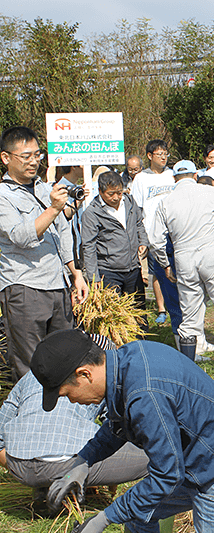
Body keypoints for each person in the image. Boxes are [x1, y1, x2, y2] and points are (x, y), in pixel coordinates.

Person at [30, 329, 214, 533]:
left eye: (67, 394)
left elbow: (167, 477)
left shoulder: (145, 394)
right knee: (137, 519)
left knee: (130, 510)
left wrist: (103, 519)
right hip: (197, 465)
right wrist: (82, 463)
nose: (71, 402)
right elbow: (117, 426)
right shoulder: (125, 362)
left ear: (84, 374)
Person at [0, 335, 148, 506]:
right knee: (158, 453)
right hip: (67, 465)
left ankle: (45, 487)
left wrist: (17, 463)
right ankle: (144, 513)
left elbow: (3, 424)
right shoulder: (100, 376)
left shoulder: (33, 375)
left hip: (19, 466)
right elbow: (117, 429)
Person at [0, 126, 88, 381]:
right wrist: (53, 208)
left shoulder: (44, 188)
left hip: (57, 285)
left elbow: (63, 234)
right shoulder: (3, 195)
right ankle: (32, 418)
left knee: (64, 359)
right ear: (6, 158)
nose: (34, 161)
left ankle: (61, 416)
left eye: (37, 155)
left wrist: (76, 275)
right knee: (30, 364)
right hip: (24, 287)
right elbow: (22, 236)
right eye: (25, 156)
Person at [151, 160, 214, 374]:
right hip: (211, 253)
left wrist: (166, 265)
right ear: (195, 175)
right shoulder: (207, 192)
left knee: (190, 312)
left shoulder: (165, 202)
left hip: (184, 258)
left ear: (174, 179)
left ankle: (189, 370)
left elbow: (156, 241)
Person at [80, 170, 149, 331]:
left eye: (119, 192)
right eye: (111, 194)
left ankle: (142, 346)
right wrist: (93, 277)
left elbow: (139, 224)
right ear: (100, 192)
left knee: (138, 313)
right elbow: (88, 246)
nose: (116, 197)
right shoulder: (92, 213)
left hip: (133, 268)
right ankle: (116, 350)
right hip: (109, 271)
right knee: (113, 316)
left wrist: (143, 241)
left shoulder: (130, 203)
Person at [130, 139, 180, 329]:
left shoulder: (172, 175)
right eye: (159, 153)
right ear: (150, 156)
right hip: (154, 235)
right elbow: (137, 209)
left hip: (175, 232)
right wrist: (141, 236)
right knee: (158, 272)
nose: (163, 156)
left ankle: (180, 307)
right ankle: (161, 310)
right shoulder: (141, 178)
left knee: (177, 270)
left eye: (165, 153)